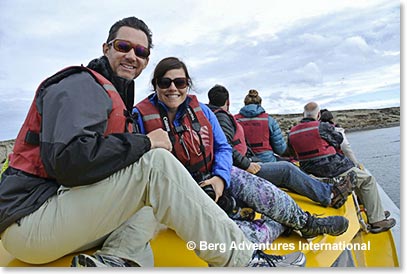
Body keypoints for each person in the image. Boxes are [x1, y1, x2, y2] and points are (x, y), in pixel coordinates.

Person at [0, 17, 301, 268]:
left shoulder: (117, 98)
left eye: (141, 51)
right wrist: (145, 142)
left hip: (57, 218)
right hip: (29, 222)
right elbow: (68, 161)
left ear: (146, 61)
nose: (132, 55)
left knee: (151, 202)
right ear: (106, 48)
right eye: (123, 46)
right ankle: (243, 261)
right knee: (156, 163)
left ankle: (119, 260)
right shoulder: (81, 84)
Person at [133, 57, 349, 251]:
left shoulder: (203, 111)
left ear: (187, 85)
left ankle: (306, 223)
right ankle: (279, 224)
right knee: (236, 242)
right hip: (181, 193)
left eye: (179, 83)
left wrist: (220, 178)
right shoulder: (140, 117)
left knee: (260, 190)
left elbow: (223, 148)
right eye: (165, 82)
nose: (173, 88)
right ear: (155, 85)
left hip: (213, 177)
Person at [206, 84, 356, 209]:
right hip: (245, 166)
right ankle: (330, 194)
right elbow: (280, 149)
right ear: (228, 102)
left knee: (288, 170)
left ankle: (324, 187)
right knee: (288, 168)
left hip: (242, 162)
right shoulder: (258, 119)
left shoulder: (212, 116)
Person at [288, 102, 396, 234]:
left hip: (310, 174)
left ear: (302, 114)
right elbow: (338, 140)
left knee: (359, 178)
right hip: (333, 170)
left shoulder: (292, 132)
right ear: (318, 114)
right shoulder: (322, 127)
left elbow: (291, 152)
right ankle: (377, 220)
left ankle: (373, 210)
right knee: (367, 179)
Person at [234, 89, 287, 162]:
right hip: (267, 161)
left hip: (243, 161)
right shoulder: (269, 120)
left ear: (245, 103)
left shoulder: (234, 120)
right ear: (260, 103)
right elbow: (281, 149)